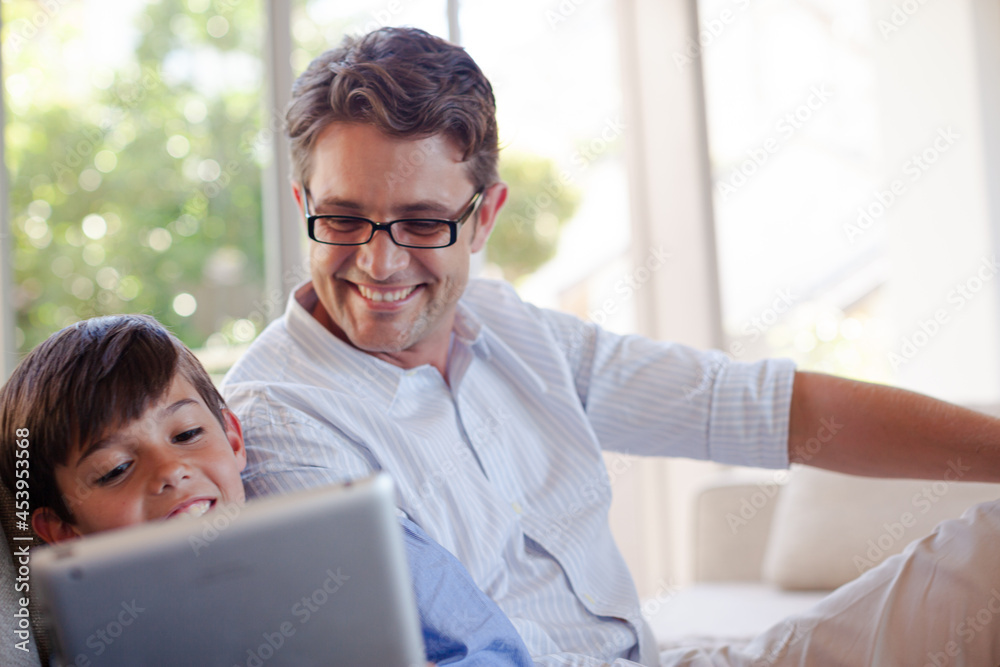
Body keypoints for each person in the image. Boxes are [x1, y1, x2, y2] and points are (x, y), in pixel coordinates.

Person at [220, 25, 1000, 666]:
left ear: (484, 217)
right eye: (344, 218)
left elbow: (759, 408)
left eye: (423, 223)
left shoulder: (516, 331)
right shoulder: (280, 422)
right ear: (303, 205)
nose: (379, 262)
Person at [0, 314, 533, 666]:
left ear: (233, 439)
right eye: (115, 469)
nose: (169, 470)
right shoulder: (87, 633)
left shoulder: (344, 534)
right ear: (59, 527)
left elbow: (492, 649)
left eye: (186, 435)